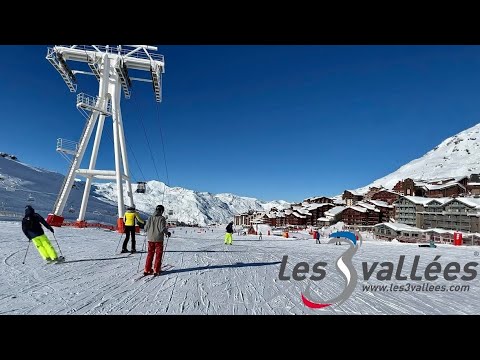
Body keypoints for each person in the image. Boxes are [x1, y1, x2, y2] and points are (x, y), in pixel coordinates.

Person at [144, 205, 171, 276]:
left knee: (150, 254)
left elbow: (145, 228)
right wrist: (167, 233)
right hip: (158, 239)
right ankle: (156, 269)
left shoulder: (150, 217)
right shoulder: (162, 218)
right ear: (161, 211)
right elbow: (162, 228)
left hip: (150, 239)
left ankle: (147, 269)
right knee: (158, 254)